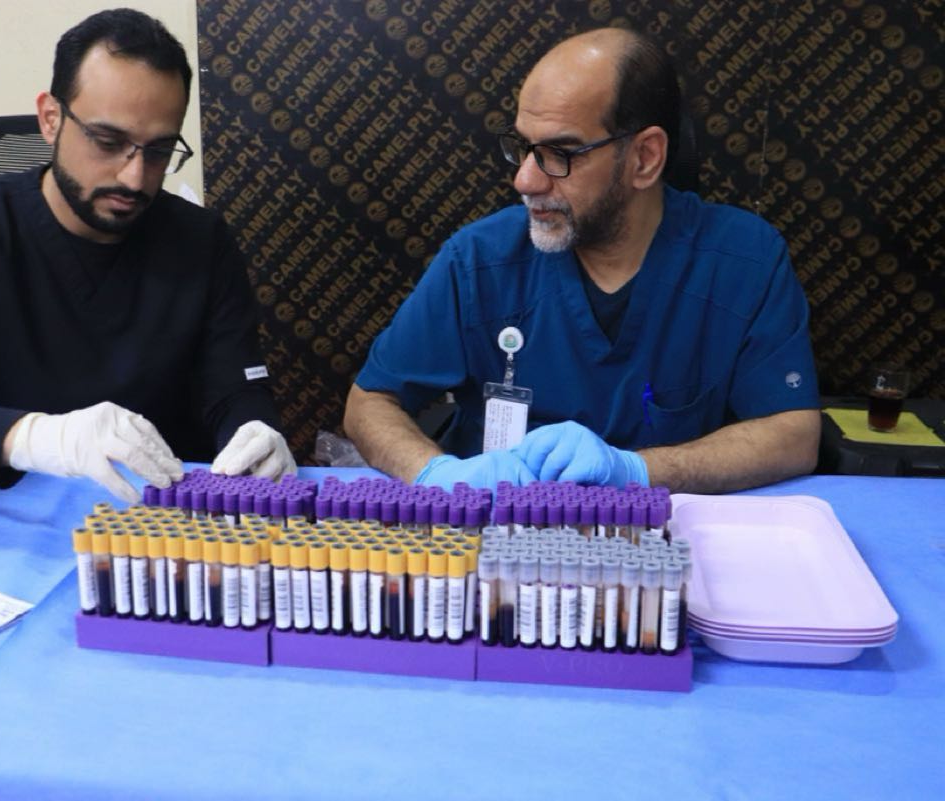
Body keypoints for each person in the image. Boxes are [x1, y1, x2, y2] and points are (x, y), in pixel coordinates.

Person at [343, 27, 821, 494]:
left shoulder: (743, 259)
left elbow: (794, 435)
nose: (525, 180)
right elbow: (370, 402)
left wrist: (637, 471)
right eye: (523, 147)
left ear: (644, 158)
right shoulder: (479, 259)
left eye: (560, 153)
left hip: (657, 534)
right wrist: (435, 473)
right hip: (495, 524)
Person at [0, 9, 294, 503]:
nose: (134, 177)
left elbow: (235, 390)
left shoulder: (202, 241)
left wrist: (255, 432)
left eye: (159, 150)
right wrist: (40, 438)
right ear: (51, 119)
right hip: (12, 500)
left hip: (158, 508)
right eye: (108, 141)